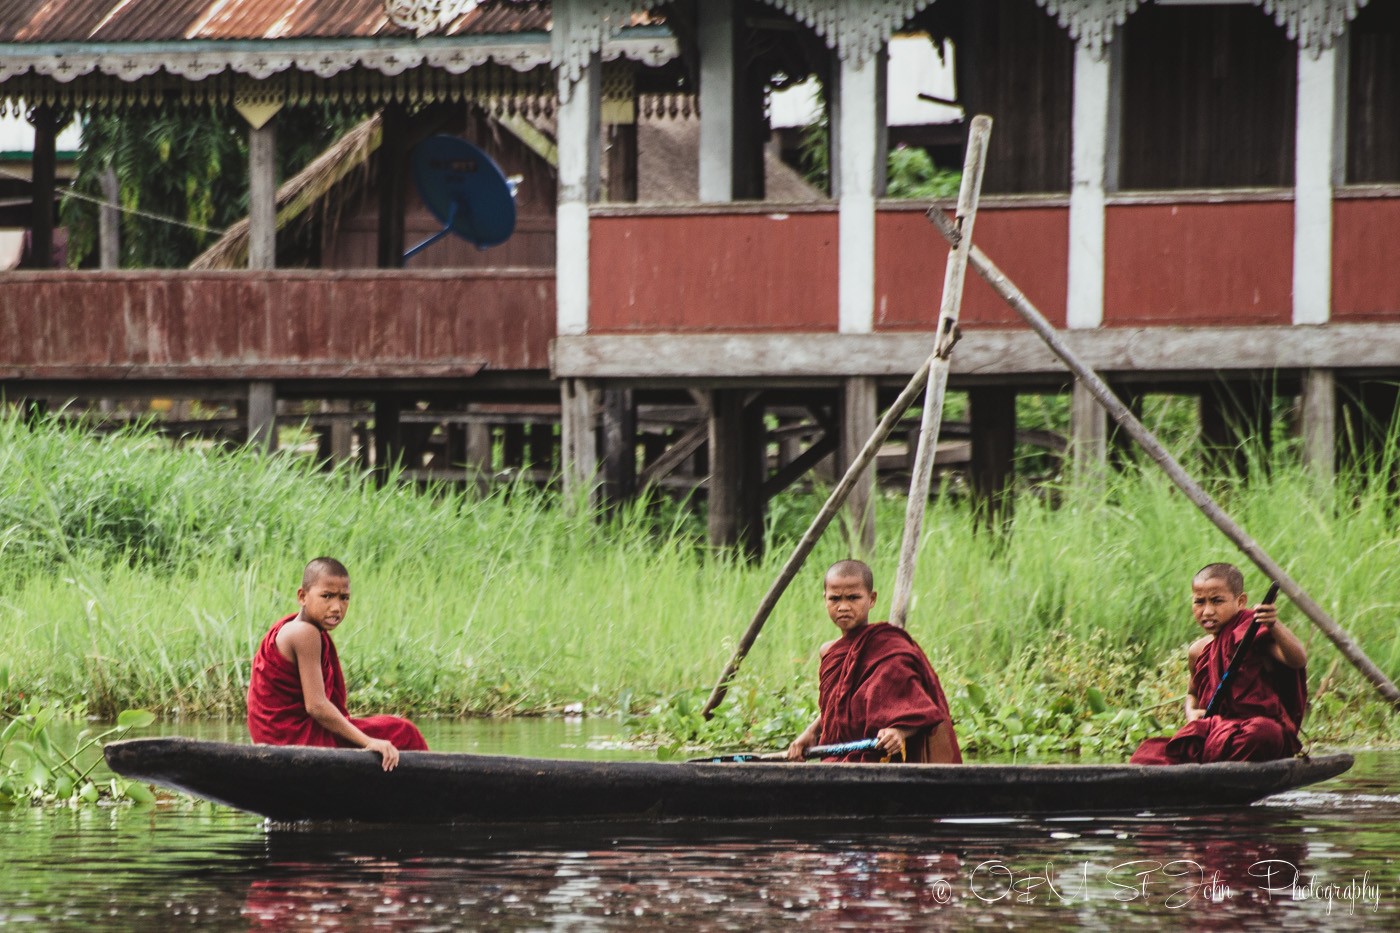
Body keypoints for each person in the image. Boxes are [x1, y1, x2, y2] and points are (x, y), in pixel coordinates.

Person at [247, 557, 428, 770]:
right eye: (327, 596)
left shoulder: (296, 627)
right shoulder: (305, 633)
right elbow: (316, 706)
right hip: (292, 738)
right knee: (402, 732)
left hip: (274, 735)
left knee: (391, 729)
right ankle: (434, 790)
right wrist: (369, 742)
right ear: (302, 596)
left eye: (344, 598)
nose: (336, 607)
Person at [1131, 562, 1307, 765]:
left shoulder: (1252, 635)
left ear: (1240, 601)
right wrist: (1191, 712)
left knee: (1264, 733)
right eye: (1199, 602)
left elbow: (1297, 660)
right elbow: (1193, 694)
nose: (1207, 611)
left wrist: (1273, 625)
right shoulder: (1198, 650)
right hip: (1216, 733)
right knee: (1146, 754)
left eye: (1216, 601)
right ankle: (1208, 767)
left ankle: (1209, 767)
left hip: (1253, 733)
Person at [786, 559, 961, 764]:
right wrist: (811, 732)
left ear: (871, 598)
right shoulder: (828, 652)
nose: (843, 607)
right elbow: (838, 708)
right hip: (837, 761)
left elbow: (921, 710)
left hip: (882, 761)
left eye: (853, 598)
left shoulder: (891, 650)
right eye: (835, 599)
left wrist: (899, 732)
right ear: (825, 599)